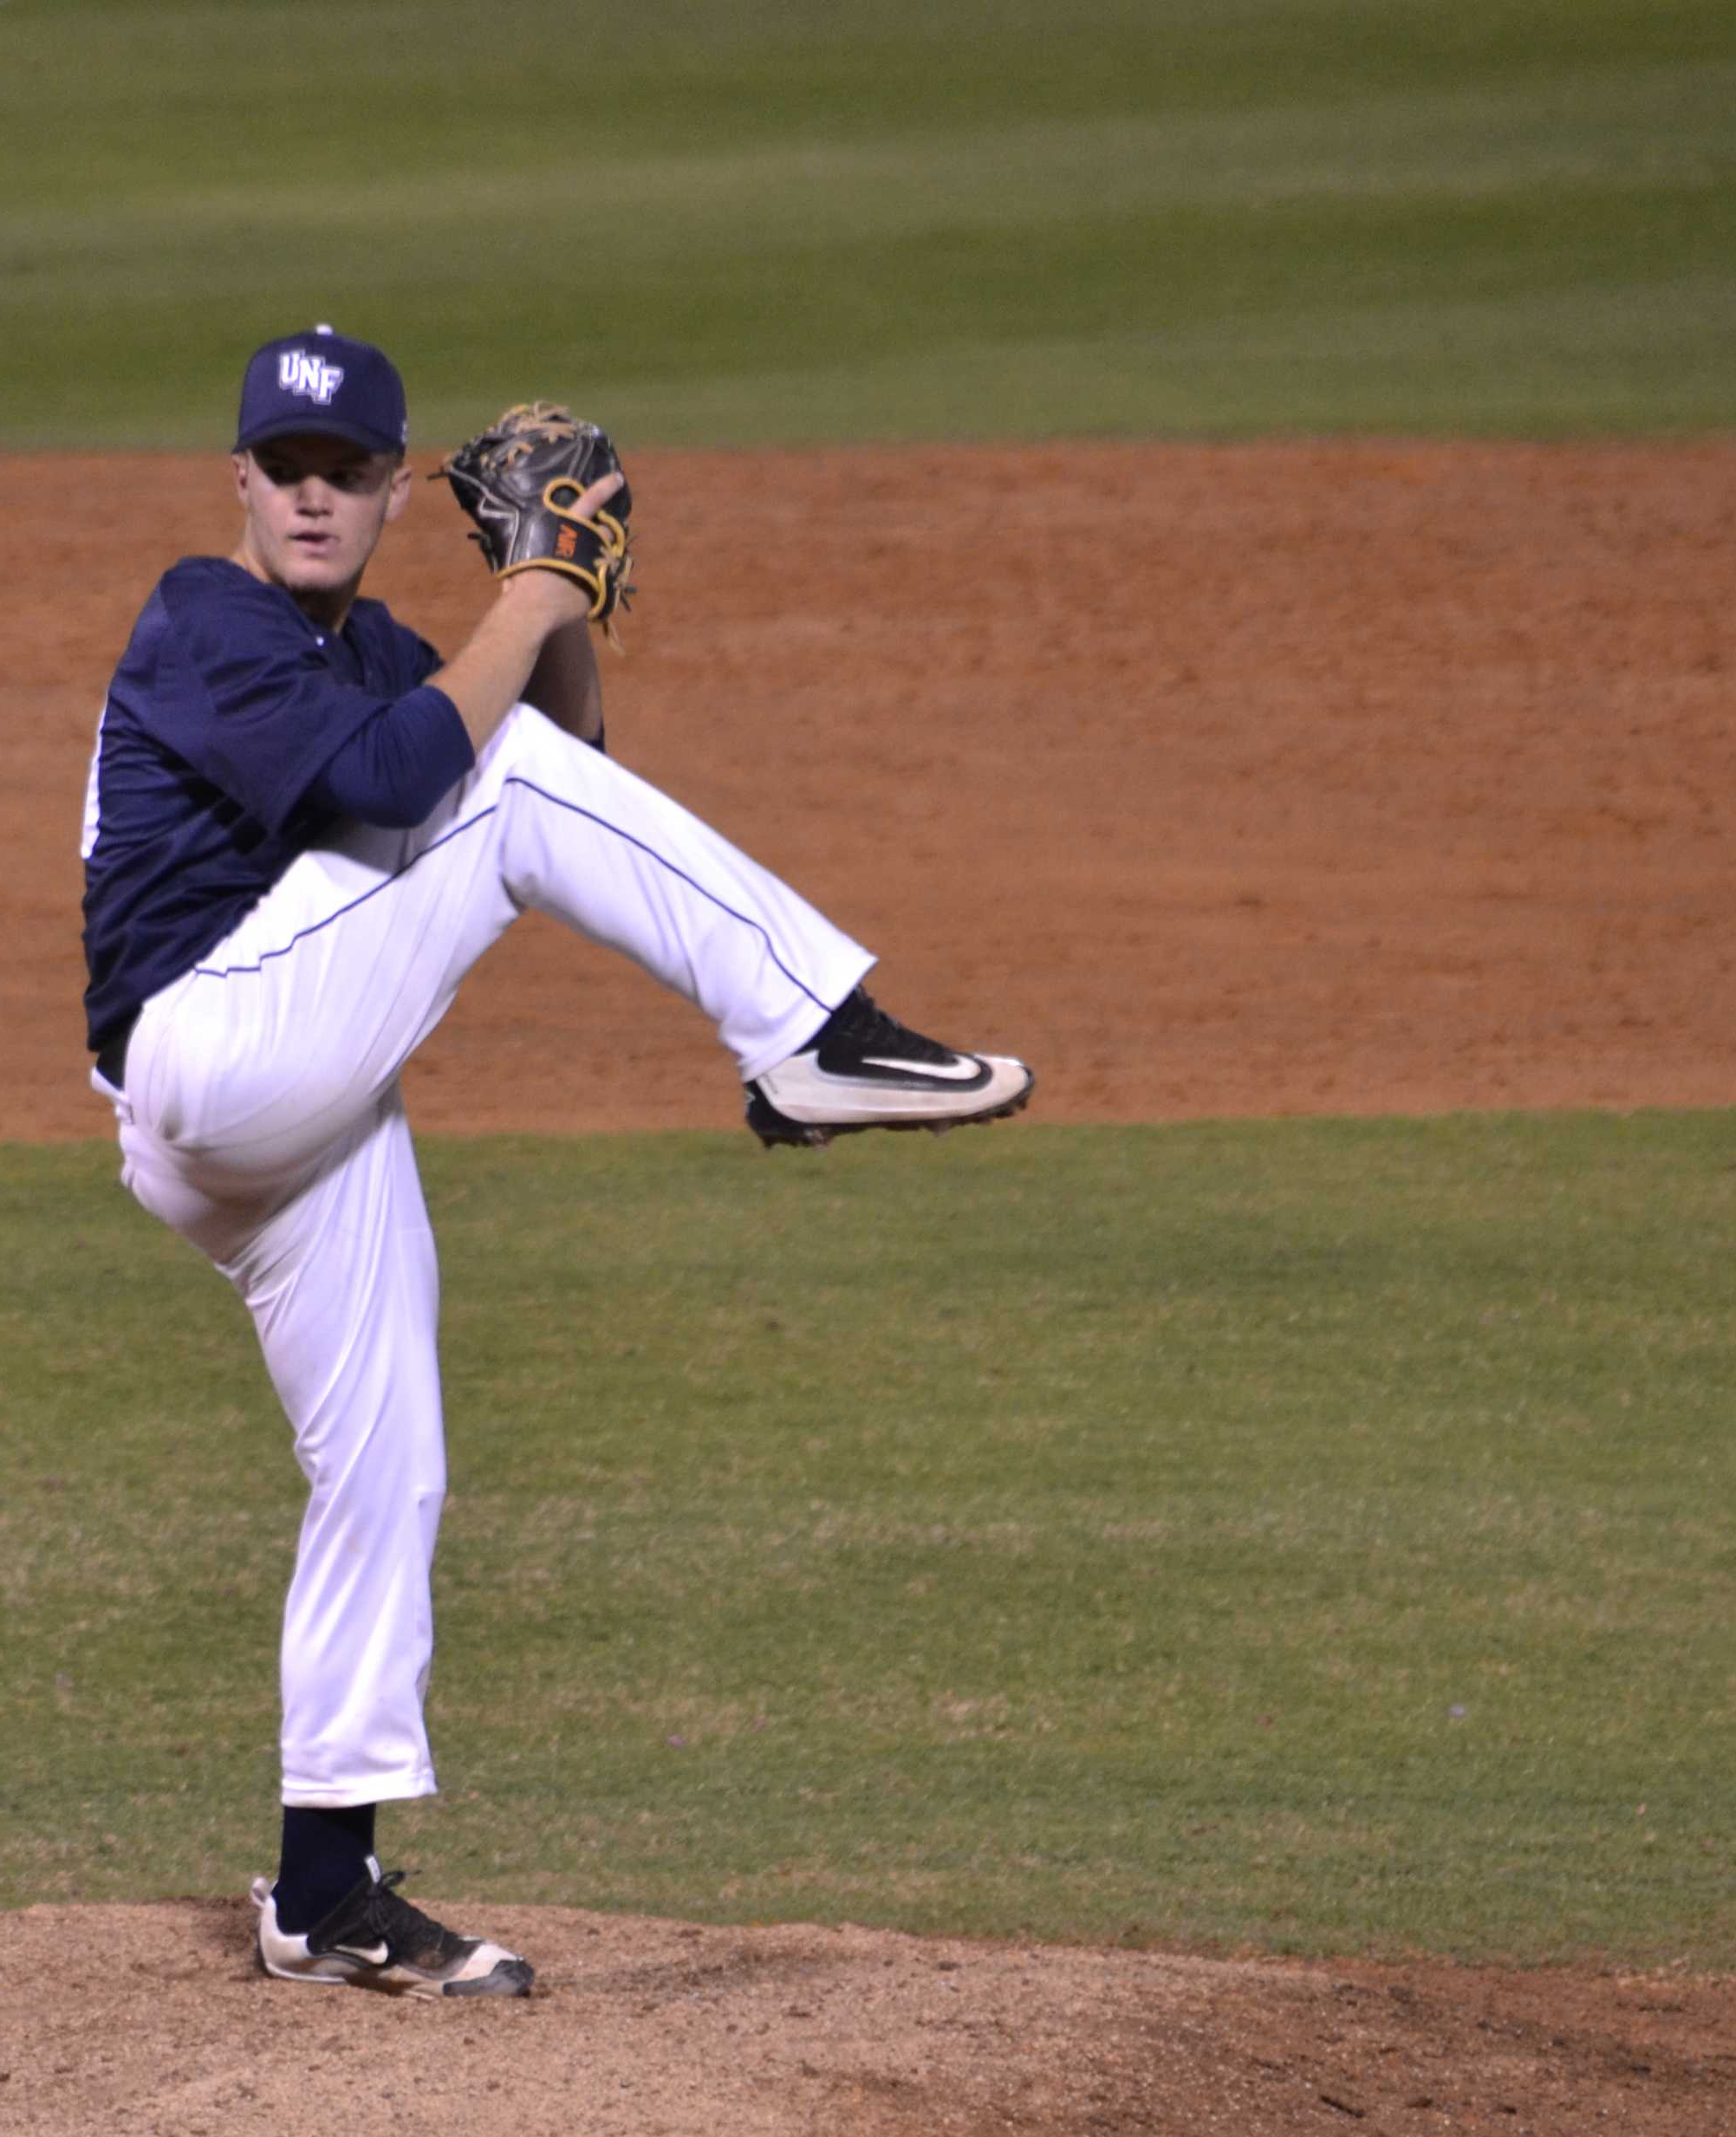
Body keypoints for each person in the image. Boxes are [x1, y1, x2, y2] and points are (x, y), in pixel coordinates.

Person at [80, 326, 1031, 1998]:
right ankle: (814, 1031)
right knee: (489, 778)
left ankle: (327, 1884)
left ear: (390, 489)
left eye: (346, 472)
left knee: (390, 1467)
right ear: (239, 478)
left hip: (292, 1108)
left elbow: (574, 789)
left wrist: (562, 602)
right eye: (283, 469)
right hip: (208, 1063)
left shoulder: (373, 649)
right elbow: (425, 780)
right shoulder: (203, 616)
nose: (312, 499)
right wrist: (523, 594)